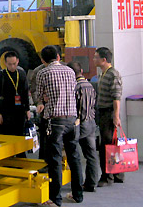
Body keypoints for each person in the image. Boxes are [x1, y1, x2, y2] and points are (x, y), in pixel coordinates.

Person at [36, 45, 83, 205]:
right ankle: (77, 195)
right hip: (72, 120)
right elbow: (72, 91)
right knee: (74, 157)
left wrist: (43, 99)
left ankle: (55, 199)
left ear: (43, 60)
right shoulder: (70, 71)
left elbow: (39, 95)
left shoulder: (43, 72)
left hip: (55, 121)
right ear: (58, 57)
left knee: (55, 160)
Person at [94, 46, 124, 187]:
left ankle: (107, 177)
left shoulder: (113, 75)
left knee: (107, 146)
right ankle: (116, 174)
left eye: (96, 57)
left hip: (109, 113)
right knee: (110, 144)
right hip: (103, 113)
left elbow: (116, 97)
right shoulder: (103, 74)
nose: (94, 60)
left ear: (104, 59)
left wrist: (116, 116)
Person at [68, 61, 99, 192]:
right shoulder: (90, 85)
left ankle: (77, 183)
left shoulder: (75, 87)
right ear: (81, 71)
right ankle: (91, 183)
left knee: (74, 155)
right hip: (91, 122)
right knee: (91, 155)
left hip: (79, 124)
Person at [0, 51, 31, 138]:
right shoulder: (0, 76)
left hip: (19, 111)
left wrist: (27, 109)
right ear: (5, 63)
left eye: (14, 64)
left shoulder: (21, 74)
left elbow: (25, 93)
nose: (12, 66)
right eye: (9, 64)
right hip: (6, 111)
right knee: (7, 135)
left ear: (17, 61)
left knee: (20, 136)